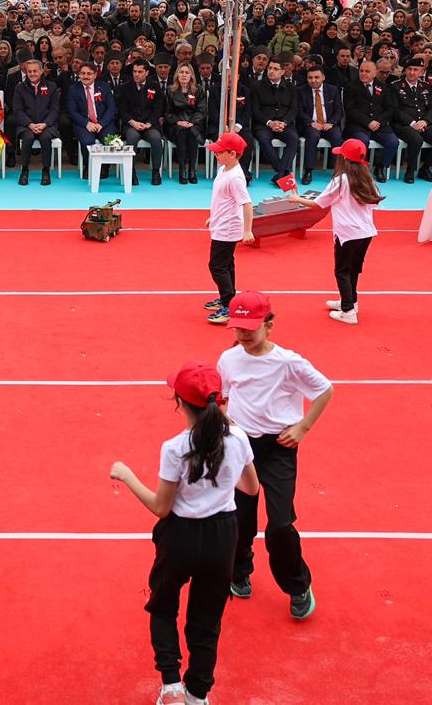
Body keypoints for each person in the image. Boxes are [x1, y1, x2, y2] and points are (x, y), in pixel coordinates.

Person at [110, 361, 258, 705]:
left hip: (181, 536)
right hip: (223, 536)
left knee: (163, 605)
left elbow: (161, 507)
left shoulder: (176, 448)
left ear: (179, 403)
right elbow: (251, 488)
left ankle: (171, 686)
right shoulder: (237, 438)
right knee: (207, 620)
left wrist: (127, 475)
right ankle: (198, 693)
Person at [215, 291, 331, 619]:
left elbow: (325, 390)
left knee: (280, 525)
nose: (242, 334)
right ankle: (239, 573)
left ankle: (298, 585)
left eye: (250, 327)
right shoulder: (229, 359)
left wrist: (303, 428)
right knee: (238, 519)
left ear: (270, 325)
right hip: (241, 448)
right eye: (237, 328)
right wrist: (227, 422)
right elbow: (222, 398)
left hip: (278, 448)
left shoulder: (289, 362)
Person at [287, 138, 380, 325]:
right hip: (366, 232)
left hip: (348, 234)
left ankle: (348, 311)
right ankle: (350, 301)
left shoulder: (340, 181)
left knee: (342, 271)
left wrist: (296, 198)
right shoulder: (367, 178)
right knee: (353, 270)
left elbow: (318, 203)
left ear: (344, 159)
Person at [203, 132, 253, 325]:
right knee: (226, 264)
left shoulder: (236, 178)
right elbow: (222, 199)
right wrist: (212, 217)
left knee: (217, 266)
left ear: (232, 154)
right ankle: (228, 298)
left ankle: (228, 304)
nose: (216, 155)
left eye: (219, 152)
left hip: (228, 229)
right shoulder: (224, 170)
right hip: (221, 223)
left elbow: (246, 204)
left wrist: (247, 230)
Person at [10, 59, 59, 186]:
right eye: (29, 71)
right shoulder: (20, 88)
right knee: (28, 137)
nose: (32, 74)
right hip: (26, 125)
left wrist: (45, 124)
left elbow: (55, 110)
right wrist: (30, 124)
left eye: (35, 71)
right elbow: (18, 110)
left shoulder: (51, 87)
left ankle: (46, 171)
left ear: (41, 71)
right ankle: (25, 170)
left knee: (45, 137)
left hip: (47, 125)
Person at [298, 65, 343, 186]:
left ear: (323, 77)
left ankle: (337, 171)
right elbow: (299, 112)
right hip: (310, 125)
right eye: (310, 78)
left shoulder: (333, 90)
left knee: (337, 136)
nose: (313, 80)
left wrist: (331, 123)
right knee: (313, 136)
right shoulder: (301, 91)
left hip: (329, 123)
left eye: (316, 77)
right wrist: (311, 123)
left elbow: (339, 111)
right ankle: (308, 171)